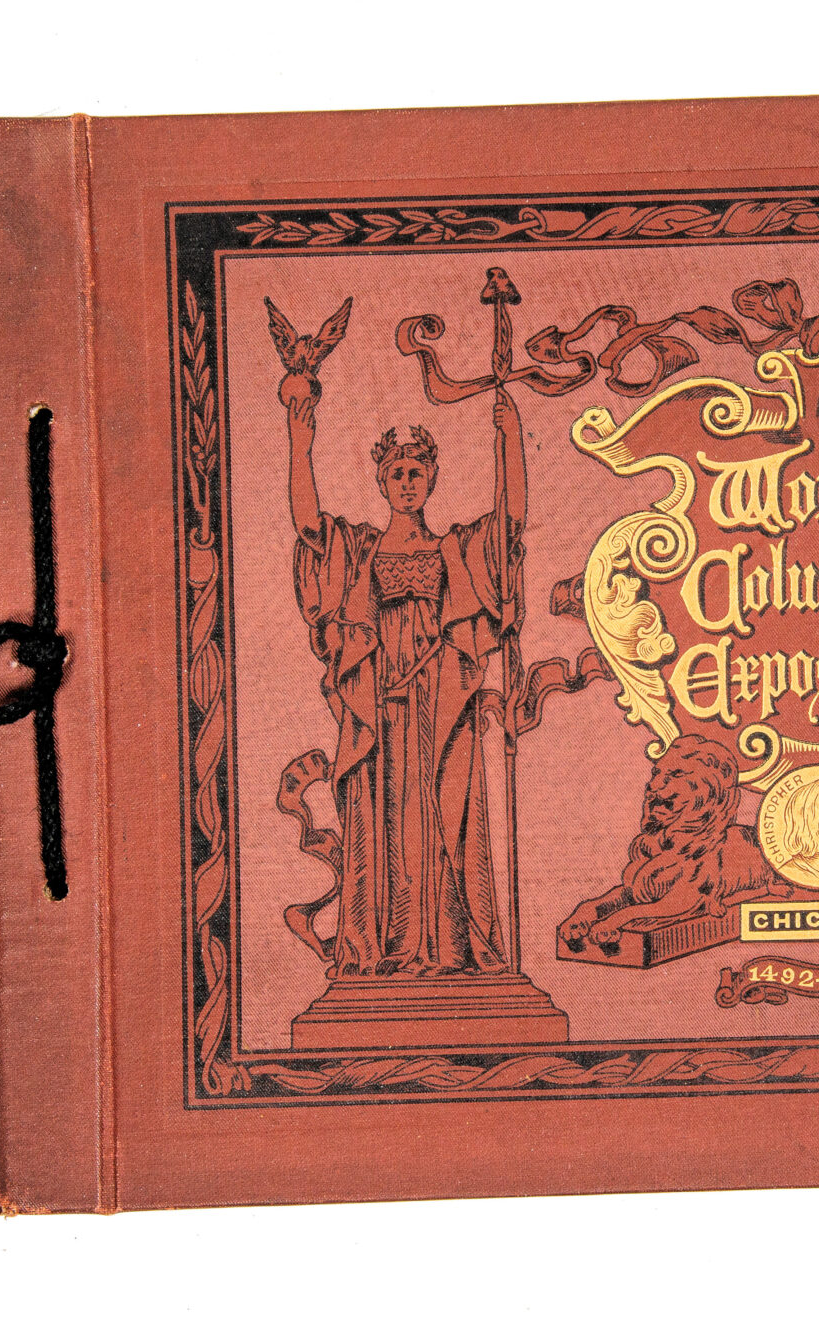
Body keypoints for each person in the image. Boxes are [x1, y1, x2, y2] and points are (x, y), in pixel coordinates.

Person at [275, 300, 520, 977]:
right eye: (396, 473)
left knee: (445, 816)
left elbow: (510, 524)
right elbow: (308, 525)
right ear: (382, 481)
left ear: (432, 478)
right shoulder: (358, 549)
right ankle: (385, 946)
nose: (407, 481)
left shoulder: (454, 548)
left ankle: (449, 949)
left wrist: (509, 441)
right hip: (381, 706)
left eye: (417, 472)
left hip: (442, 700)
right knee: (385, 822)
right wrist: (300, 438)